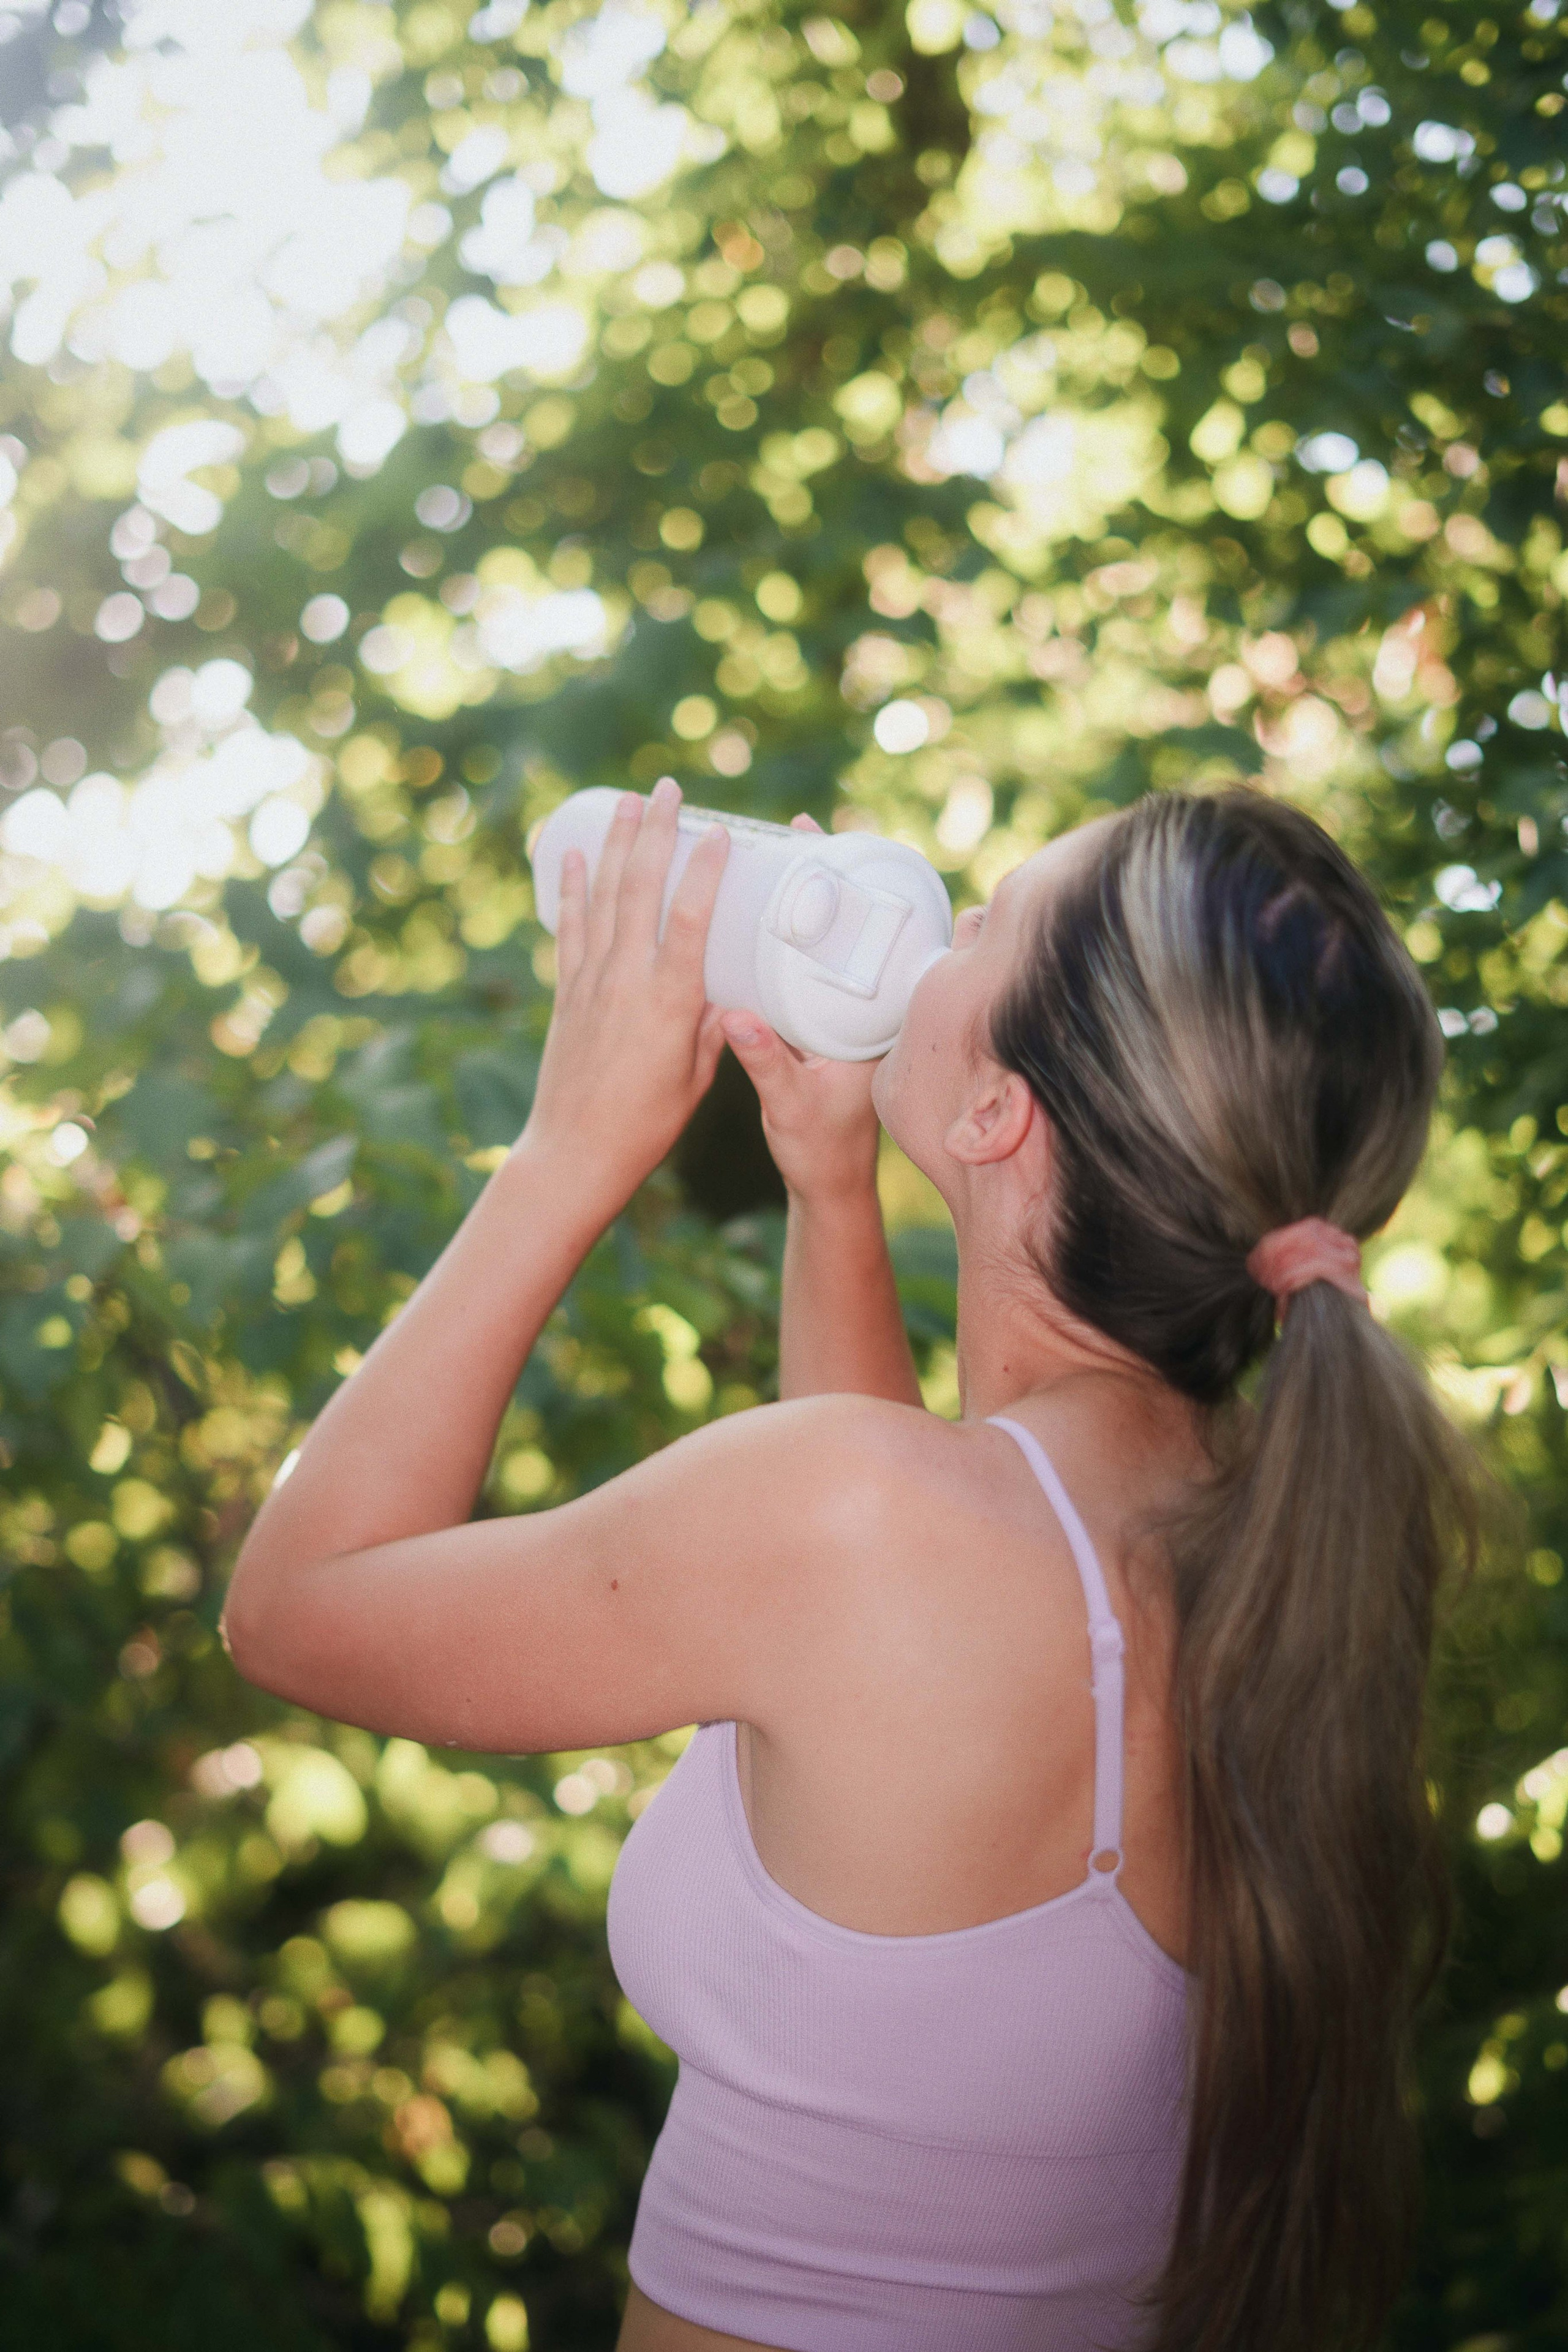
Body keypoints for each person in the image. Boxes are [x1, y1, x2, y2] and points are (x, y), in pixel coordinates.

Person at [224, 776, 1476, 2352]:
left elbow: (292, 1610)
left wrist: (569, 1147)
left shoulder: (865, 1523)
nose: (945, 924)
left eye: (991, 922)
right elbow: (879, 1648)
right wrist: (827, 1185)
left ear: (995, 1113)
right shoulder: (1259, 1561)